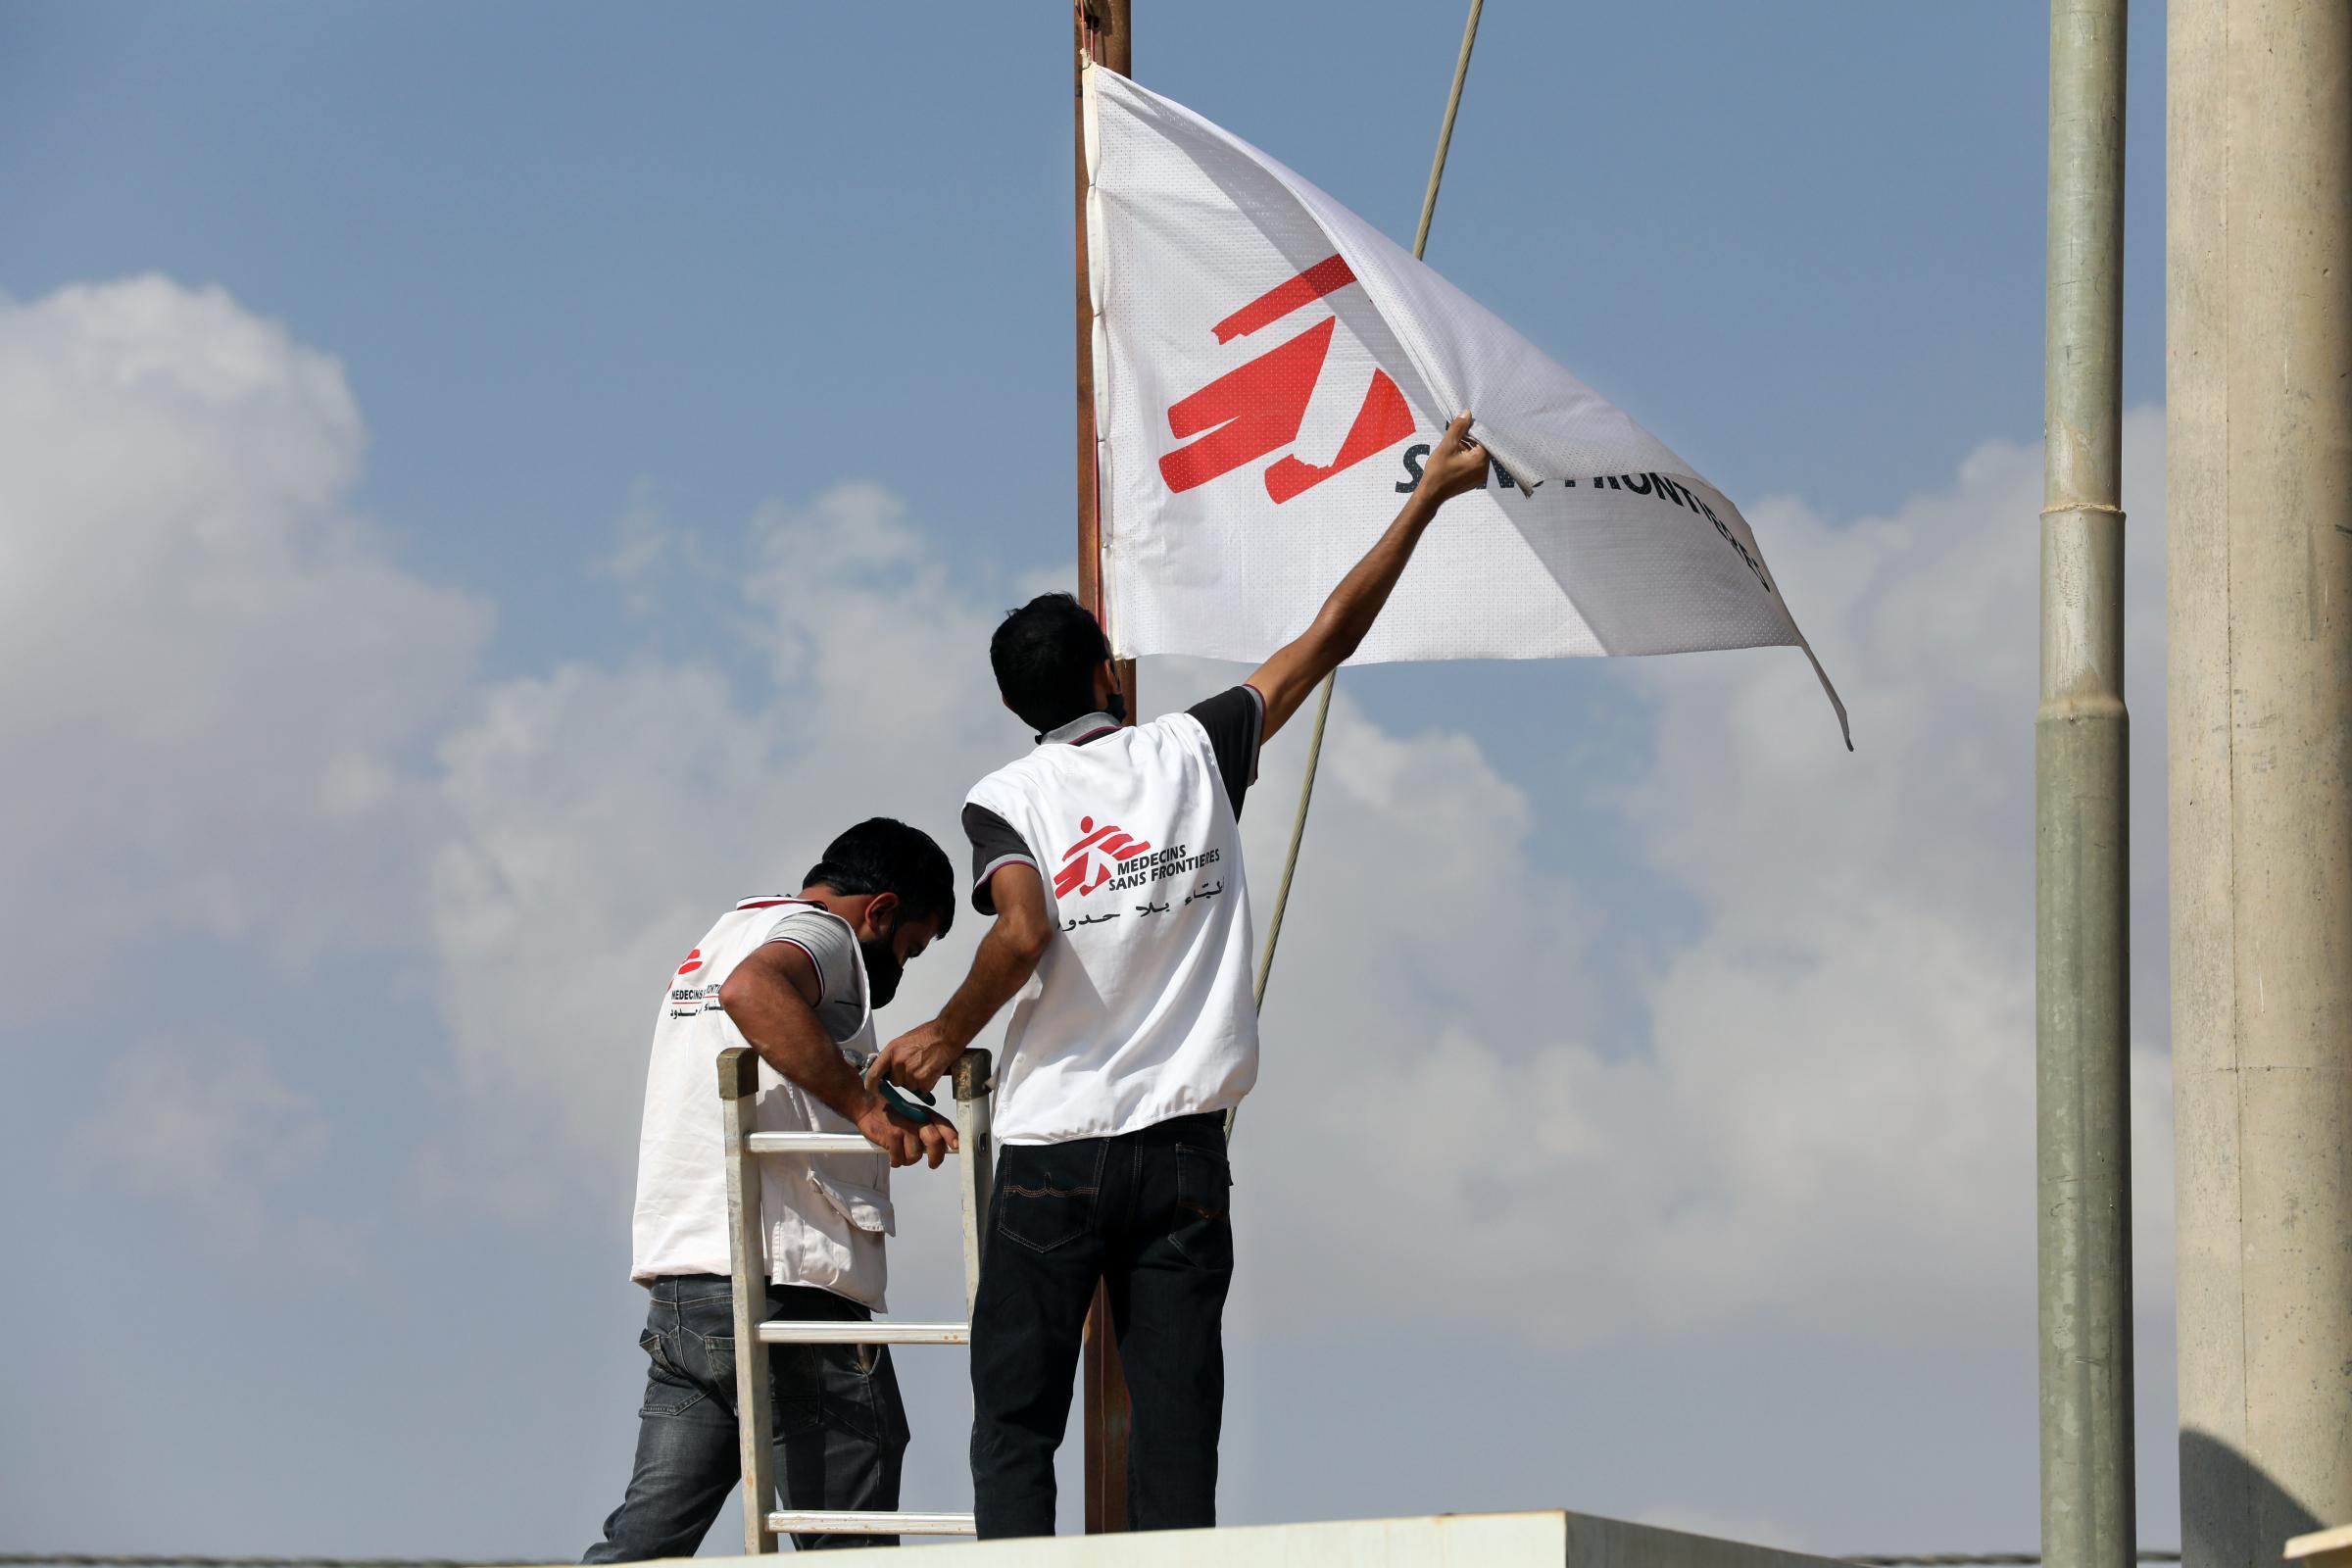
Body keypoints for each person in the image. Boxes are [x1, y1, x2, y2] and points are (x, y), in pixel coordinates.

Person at [866, 413, 1492, 1537]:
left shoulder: (1008, 797)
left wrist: (945, 1030)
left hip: (1057, 1146)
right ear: (1110, 674)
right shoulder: (1195, 749)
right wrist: (1428, 495)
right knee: (1176, 1427)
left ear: (1016, 708)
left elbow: (1021, 932)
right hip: (1183, 1152)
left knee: (1017, 1419)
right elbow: (1329, 634)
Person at [585, 817, 960, 1559]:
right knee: (846, 1543)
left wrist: (877, 1094)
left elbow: (770, 1047)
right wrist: (863, 1110)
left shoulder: (723, 935)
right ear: (881, 911)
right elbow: (754, 992)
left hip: (689, 1293)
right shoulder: (826, 935)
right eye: (910, 948)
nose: (901, 969)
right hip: (787, 1290)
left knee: (645, 1545)